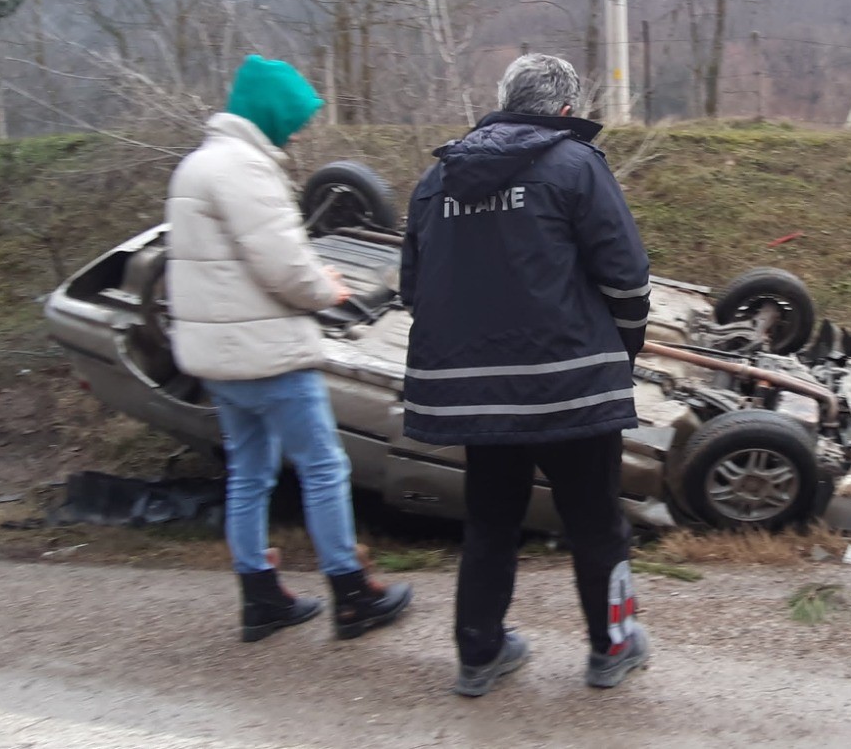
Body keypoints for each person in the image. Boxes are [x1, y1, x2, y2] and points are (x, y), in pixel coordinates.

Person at [398, 53, 652, 697]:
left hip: (480, 398)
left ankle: (479, 655)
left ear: (505, 101)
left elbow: (413, 290)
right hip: (570, 383)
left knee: (490, 522)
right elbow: (627, 275)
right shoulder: (576, 165)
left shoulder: (437, 180)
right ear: (565, 111)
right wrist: (622, 350)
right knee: (596, 522)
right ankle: (612, 647)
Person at [166, 54, 412, 642]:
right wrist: (325, 284)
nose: (297, 130)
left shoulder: (196, 167)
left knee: (250, 473)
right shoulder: (246, 170)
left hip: (221, 358)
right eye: (294, 118)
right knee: (325, 467)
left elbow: (232, 264)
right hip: (267, 355)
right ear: (271, 113)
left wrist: (304, 270)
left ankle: (259, 596)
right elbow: (284, 269)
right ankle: (351, 593)